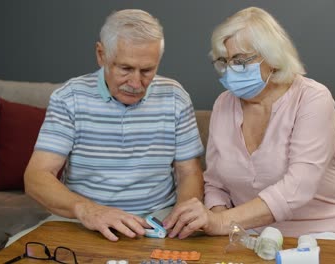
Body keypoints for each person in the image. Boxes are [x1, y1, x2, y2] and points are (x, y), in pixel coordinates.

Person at [162, 6, 335, 241]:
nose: (230, 71)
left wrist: (221, 221)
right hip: (251, 237)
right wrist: (221, 225)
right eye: (224, 62)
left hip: (323, 233)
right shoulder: (224, 104)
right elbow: (216, 184)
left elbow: (298, 187)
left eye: (240, 60)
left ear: (273, 57)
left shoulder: (313, 98)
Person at [24, 9, 204, 242]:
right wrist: (88, 210)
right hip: (83, 219)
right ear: (101, 54)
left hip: (157, 219)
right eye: (126, 69)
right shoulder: (69, 97)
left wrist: (182, 216)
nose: (136, 83)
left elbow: (189, 172)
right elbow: (37, 176)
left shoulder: (175, 96)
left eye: (147, 70)